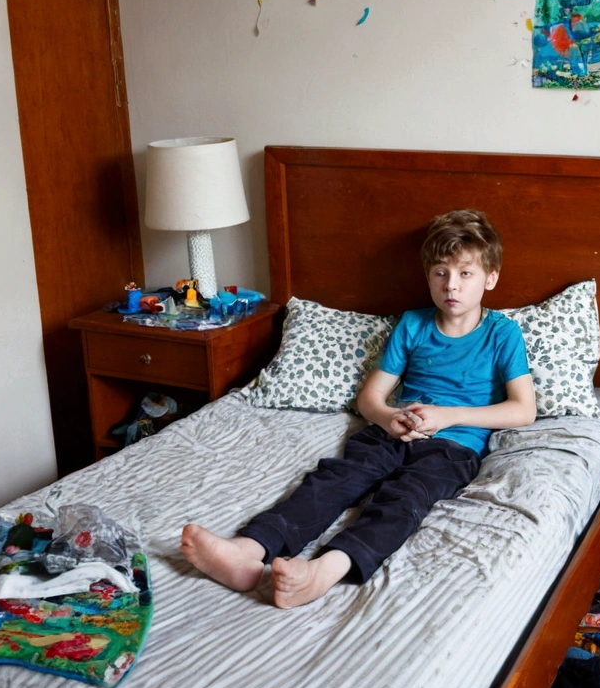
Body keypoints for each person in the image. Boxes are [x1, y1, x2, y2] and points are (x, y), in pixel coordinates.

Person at [181, 209, 536, 608]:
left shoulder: (502, 333)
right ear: (428, 276)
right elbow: (370, 399)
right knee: (333, 480)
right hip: (394, 431)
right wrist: (388, 418)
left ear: (491, 278)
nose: (451, 285)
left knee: (404, 499)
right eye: (441, 272)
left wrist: (450, 415)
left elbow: (523, 410)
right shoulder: (413, 325)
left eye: (465, 274)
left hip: (453, 447)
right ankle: (249, 550)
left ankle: (325, 570)